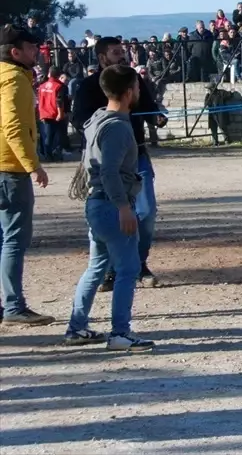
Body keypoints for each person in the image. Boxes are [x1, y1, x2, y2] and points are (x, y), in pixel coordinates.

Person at [64, 64, 154, 351]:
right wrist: (124, 208)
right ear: (129, 93)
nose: (140, 92)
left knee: (96, 267)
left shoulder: (98, 118)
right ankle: (120, 333)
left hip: (97, 206)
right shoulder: (117, 128)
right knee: (128, 269)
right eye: (138, 88)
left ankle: (77, 328)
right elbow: (109, 172)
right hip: (112, 206)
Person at [71, 37, 169, 289]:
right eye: (116, 53)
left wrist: (157, 116)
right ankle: (111, 269)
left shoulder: (135, 81)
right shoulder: (88, 86)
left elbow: (149, 106)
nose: (122, 56)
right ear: (103, 57)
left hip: (137, 156)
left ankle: (138, 263)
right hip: (103, 160)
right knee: (110, 213)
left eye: (122, 52)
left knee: (146, 213)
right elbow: (79, 119)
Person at [0, 25, 53, 326]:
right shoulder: (15, 82)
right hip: (9, 168)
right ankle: (14, 306)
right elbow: (14, 128)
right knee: (14, 240)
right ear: (15, 52)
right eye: (32, 47)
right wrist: (33, 165)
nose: (37, 52)